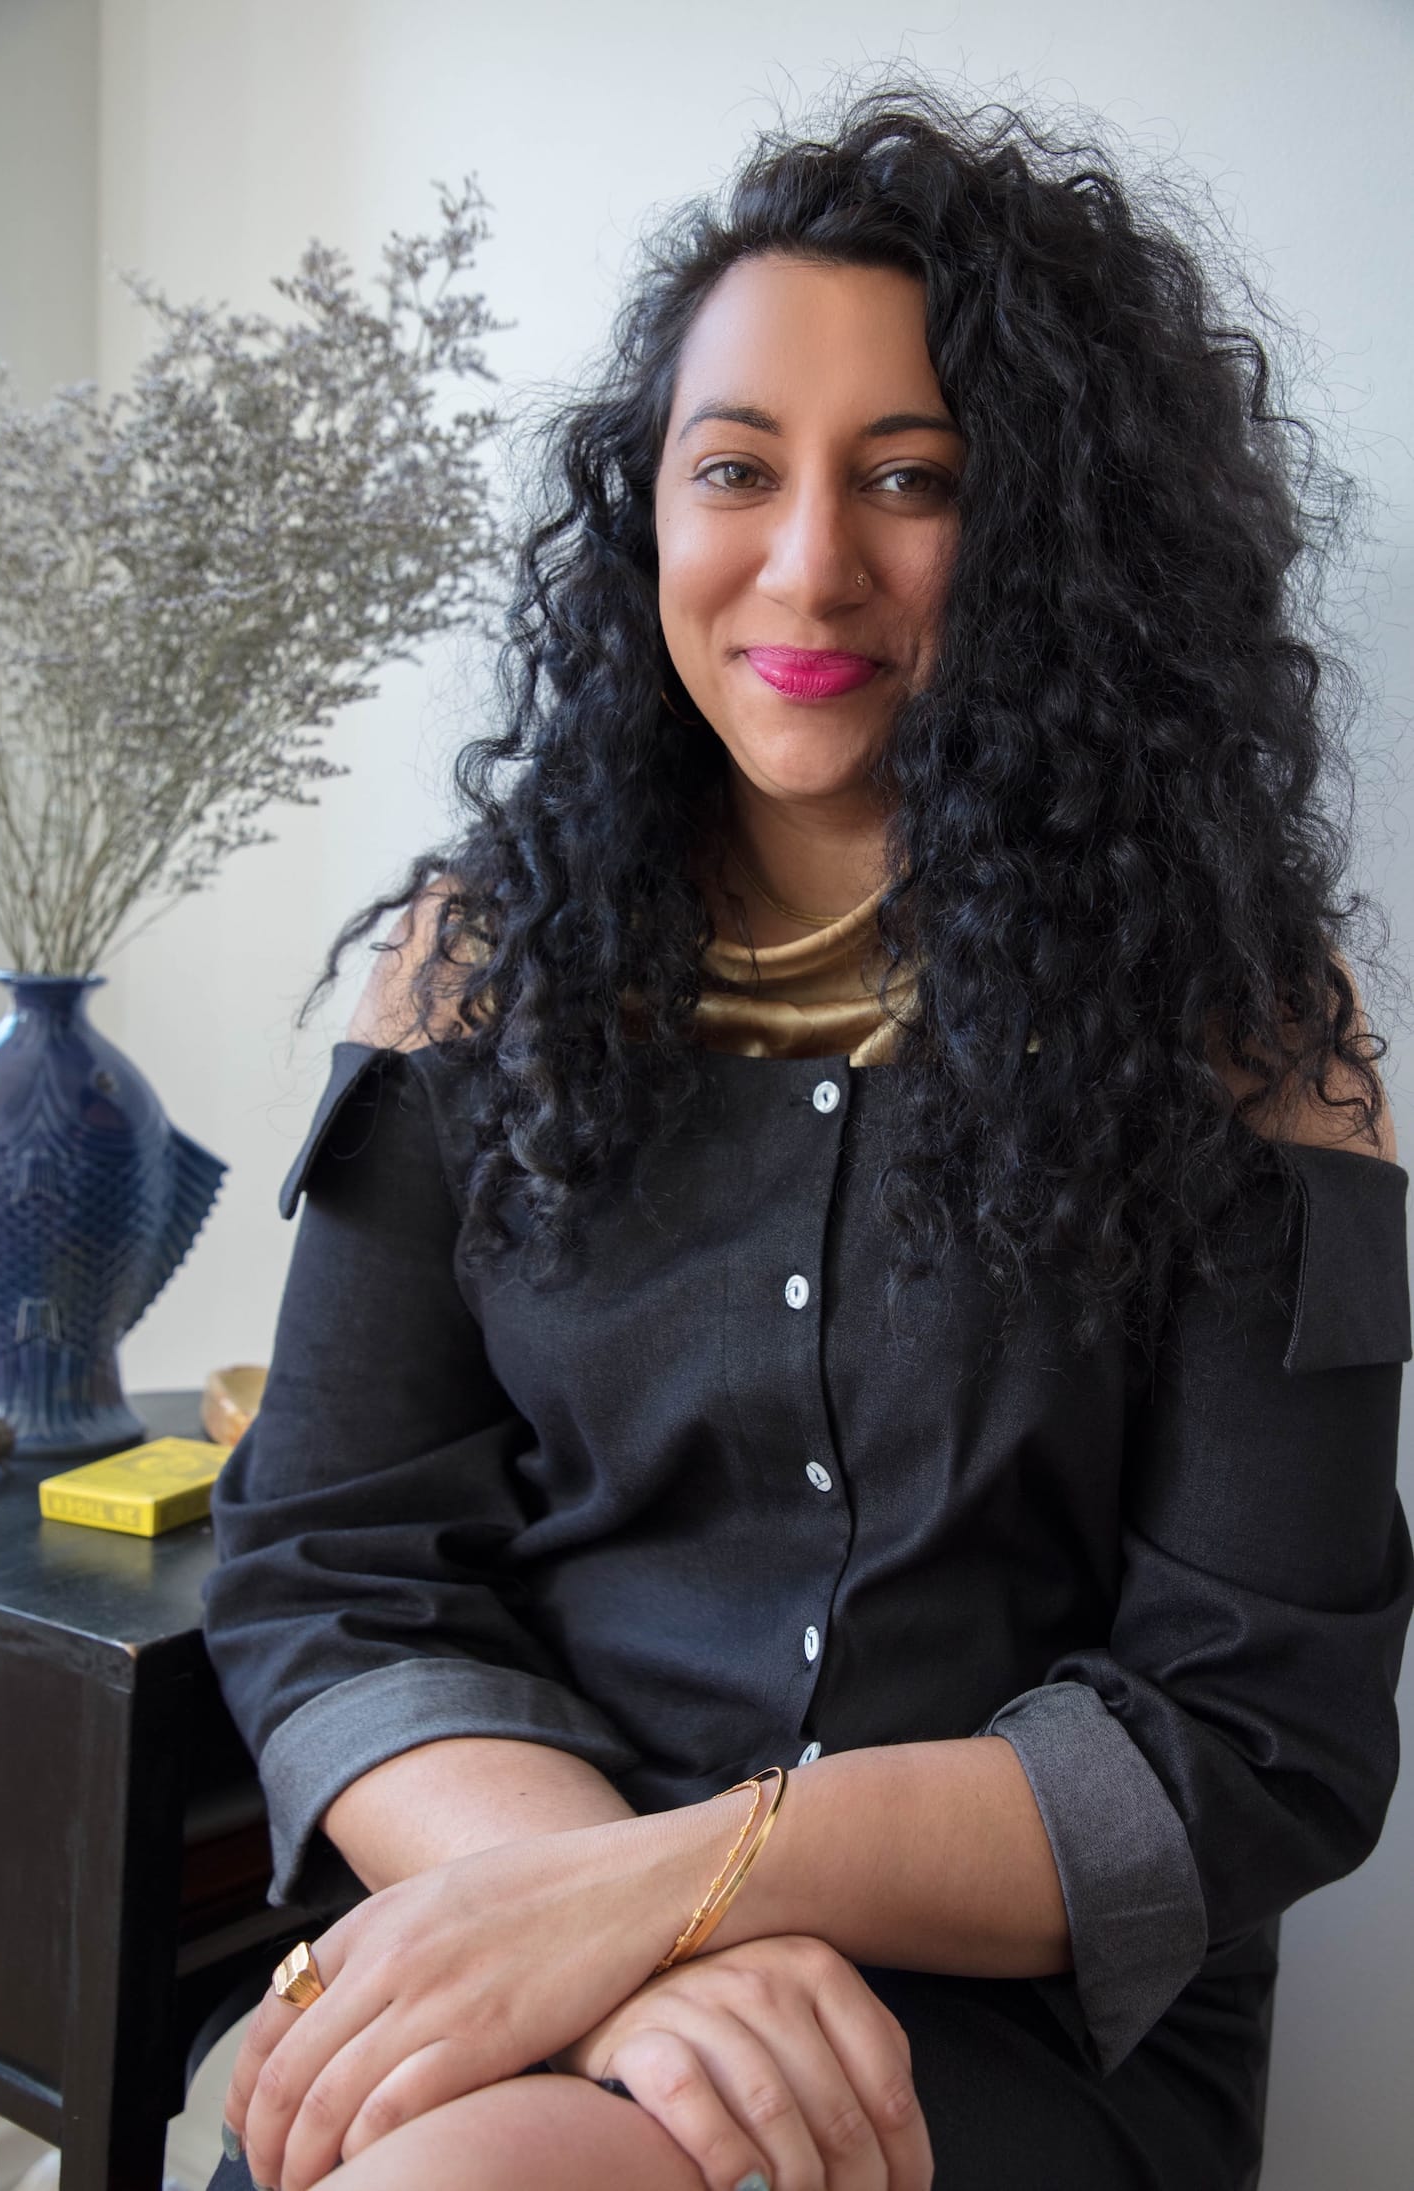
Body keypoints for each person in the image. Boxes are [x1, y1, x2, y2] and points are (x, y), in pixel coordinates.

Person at [199, 75, 1413, 2191]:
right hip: (523, 1899)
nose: (807, 560)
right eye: (733, 468)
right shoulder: (475, 963)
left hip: (1012, 2022)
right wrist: (614, 1925)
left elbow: (1254, 1737)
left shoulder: (1239, 1030)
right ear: (647, 511)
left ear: (1046, 539)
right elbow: (328, 1565)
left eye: (914, 479)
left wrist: (685, 1896)